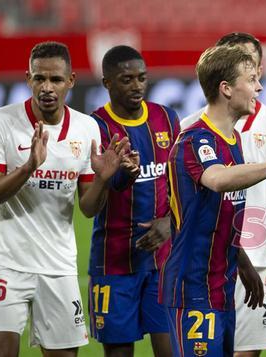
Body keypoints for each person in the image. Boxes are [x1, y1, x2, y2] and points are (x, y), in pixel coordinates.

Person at [0, 41, 135, 357]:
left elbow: (88, 208)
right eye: (39, 78)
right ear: (28, 78)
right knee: (0, 353)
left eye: (56, 80)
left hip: (58, 266)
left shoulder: (87, 128)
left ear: (71, 80)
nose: (47, 88)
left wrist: (103, 179)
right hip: (5, 263)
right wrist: (29, 167)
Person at [161, 45, 266, 357]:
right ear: (226, 89)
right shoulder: (195, 139)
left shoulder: (234, 142)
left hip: (224, 284)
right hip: (192, 287)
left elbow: (222, 215)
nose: (259, 86)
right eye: (250, 79)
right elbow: (217, 179)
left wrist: (243, 264)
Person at [88, 45, 180, 357]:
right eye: (127, 79)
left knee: (170, 349)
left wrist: (171, 222)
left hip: (162, 262)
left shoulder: (166, 118)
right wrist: (121, 176)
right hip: (113, 262)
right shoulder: (95, 126)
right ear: (107, 83)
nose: (137, 85)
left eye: (141, 78)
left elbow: (184, 184)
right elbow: (92, 202)